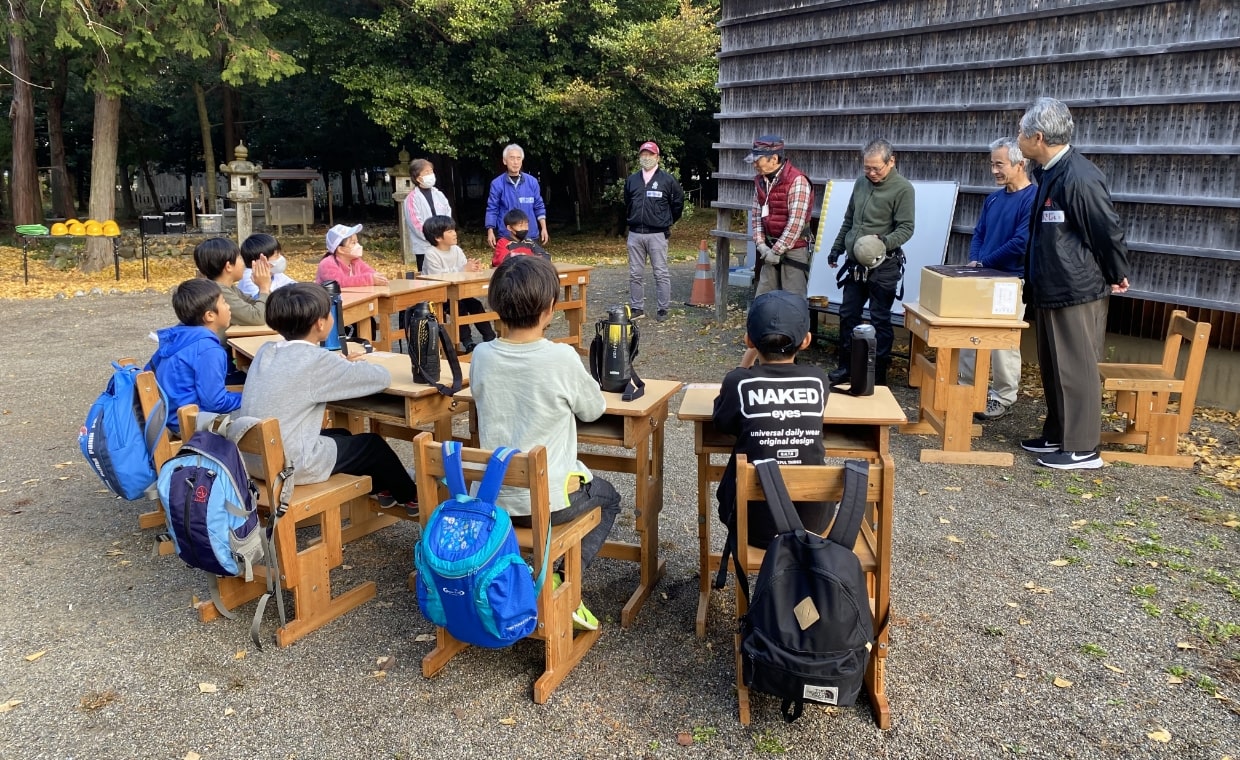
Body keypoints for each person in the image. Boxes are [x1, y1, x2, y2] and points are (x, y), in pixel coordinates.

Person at [468, 255, 621, 631]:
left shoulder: (482, 355)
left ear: (495, 306)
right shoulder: (561, 357)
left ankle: (528, 576)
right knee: (610, 499)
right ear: (551, 308)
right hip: (549, 506)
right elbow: (593, 409)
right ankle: (560, 581)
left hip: (492, 501)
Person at [1016, 97, 1130, 470]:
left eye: (1021, 132)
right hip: (1052, 284)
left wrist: (1116, 271)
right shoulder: (1050, 171)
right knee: (1054, 367)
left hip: (1075, 287)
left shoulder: (1079, 176)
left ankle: (1083, 448)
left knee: (1076, 367)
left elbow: (1105, 228)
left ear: (1038, 137)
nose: (1018, 138)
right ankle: (1059, 434)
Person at [239, 283, 417, 511]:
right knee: (372, 445)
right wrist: (352, 365)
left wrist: (337, 365)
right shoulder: (316, 360)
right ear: (320, 323)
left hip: (254, 459)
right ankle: (411, 496)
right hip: (289, 466)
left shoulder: (266, 350)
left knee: (342, 435)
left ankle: (384, 488)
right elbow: (380, 378)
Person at [713, 290, 829, 579]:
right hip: (812, 523)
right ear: (806, 340)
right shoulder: (818, 379)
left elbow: (722, 423)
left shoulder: (738, 381)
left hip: (752, 524)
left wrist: (744, 364)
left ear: (749, 340)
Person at [959, 137, 1038, 421]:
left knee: (1003, 342)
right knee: (969, 334)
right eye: (992, 164)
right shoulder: (993, 198)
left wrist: (984, 262)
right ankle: (966, 389)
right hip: (982, 277)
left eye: (1000, 164)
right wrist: (976, 261)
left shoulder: (1033, 198)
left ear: (1020, 164)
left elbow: (1021, 242)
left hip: (1010, 280)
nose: (994, 170)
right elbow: (979, 233)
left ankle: (1003, 396)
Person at [827, 138, 916, 387]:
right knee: (848, 315)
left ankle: (876, 374)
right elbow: (849, 220)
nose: (871, 173)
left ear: (891, 161)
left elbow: (906, 228)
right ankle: (846, 367)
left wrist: (883, 242)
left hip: (883, 265)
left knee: (879, 319)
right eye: (867, 167)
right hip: (855, 264)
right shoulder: (860, 183)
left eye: (876, 168)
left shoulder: (903, 189)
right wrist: (836, 249)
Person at [145, 278, 242, 434]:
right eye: (224, 302)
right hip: (187, 423)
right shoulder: (209, 350)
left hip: (168, 415)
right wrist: (247, 397)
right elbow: (215, 403)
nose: (228, 307)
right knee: (259, 411)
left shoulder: (178, 337)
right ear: (210, 315)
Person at [746, 135, 814, 298]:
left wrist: (776, 251)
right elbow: (756, 217)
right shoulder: (760, 182)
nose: (754, 164)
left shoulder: (797, 181)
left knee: (793, 301)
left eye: (758, 160)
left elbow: (795, 224)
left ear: (774, 159)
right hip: (769, 248)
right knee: (763, 299)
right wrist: (761, 245)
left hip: (794, 249)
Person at [624, 141, 684, 321]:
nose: (647, 157)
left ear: (657, 157)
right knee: (635, 274)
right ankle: (637, 308)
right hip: (635, 234)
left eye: (650, 154)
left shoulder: (668, 180)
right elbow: (627, 203)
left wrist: (666, 222)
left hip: (657, 234)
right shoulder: (632, 180)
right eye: (643, 154)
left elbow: (678, 203)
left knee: (660, 273)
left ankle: (663, 309)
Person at [422, 215, 497, 354]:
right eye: (449, 231)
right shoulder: (431, 254)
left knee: (475, 304)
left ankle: (490, 337)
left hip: (458, 292)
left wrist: (473, 268)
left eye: (454, 230)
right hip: (440, 296)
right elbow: (437, 277)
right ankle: (468, 342)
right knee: (459, 308)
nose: (454, 233)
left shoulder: (456, 249)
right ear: (438, 237)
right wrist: (463, 269)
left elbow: (464, 269)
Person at [194, 236, 270, 330]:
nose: (243, 263)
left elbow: (258, 306)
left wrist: (263, 286)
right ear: (229, 266)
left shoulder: (229, 288)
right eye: (240, 258)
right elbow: (257, 317)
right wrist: (264, 287)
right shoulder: (218, 292)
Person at [484, 144, 548, 248]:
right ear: (505, 161)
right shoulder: (497, 184)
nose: (515, 162)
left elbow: (539, 206)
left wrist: (544, 228)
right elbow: (492, 208)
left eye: (518, 158)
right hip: (507, 236)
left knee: (532, 259)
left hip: (530, 234)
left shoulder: (532, 182)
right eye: (512, 158)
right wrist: (490, 231)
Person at [403, 158, 453, 273]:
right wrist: (434, 238)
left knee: (448, 274)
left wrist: (445, 236)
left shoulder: (438, 194)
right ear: (418, 178)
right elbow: (416, 224)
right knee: (428, 277)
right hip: (424, 247)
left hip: (444, 244)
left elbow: (447, 215)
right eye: (427, 172)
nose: (431, 174)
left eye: (431, 171)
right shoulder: (411, 199)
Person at [315, 223, 389, 287]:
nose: (358, 245)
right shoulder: (327, 264)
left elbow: (369, 272)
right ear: (341, 249)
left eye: (357, 242)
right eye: (353, 243)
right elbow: (339, 282)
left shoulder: (355, 261)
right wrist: (369, 279)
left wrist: (378, 278)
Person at [239, 233, 295, 299]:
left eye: (280, 253)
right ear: (261, 260)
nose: (281, 258)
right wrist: (263, 287)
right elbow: (263, 301)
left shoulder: (274, 273)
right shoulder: (249, 278)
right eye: (276, 255)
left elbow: (295, 286)